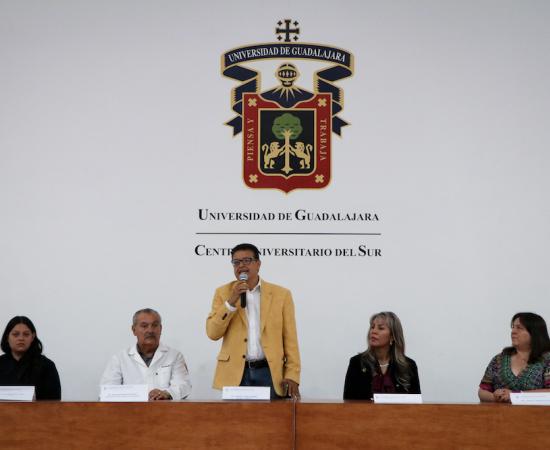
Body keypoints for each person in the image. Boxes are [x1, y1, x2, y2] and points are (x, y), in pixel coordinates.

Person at [206, 243, 301, 399]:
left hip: (269, 372)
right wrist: (230, 302)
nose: (241, 266)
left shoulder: (281, 295)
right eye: (236, 262)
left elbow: (291, 339)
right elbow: (212, 333)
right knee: (236, 422)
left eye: (247, 260)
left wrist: (293, 374)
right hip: (236, 372)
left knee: (271, 422)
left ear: (258, 264)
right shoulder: (223, 293)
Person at [100, 308, 191, 400]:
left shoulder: (175, 356)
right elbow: (107, 391)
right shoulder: (119, 358)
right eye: (144, 326)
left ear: (161, 329)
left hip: (165, 411)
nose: (150, 330)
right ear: (134, 330)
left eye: (155, 325)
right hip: (130, 412)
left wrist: (167, 393)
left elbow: (184, 386)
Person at [343, 311, 420, 400]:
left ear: (392, 336)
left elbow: (416, 404)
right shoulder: (357, 363)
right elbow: (348, 403)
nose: (373, 331)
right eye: (372, 327)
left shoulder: (408, 366)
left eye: (380, 328)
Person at [478, 312, 550, 402]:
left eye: (519, 328)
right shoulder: (499, 359)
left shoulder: (547, 359)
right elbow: (482, 391)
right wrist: (495, 397)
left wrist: (516, 396)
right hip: (499, 415)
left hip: (538, 415)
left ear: (534, 333)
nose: (513, 331)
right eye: (513, 327)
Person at [0, 316, 61, 400]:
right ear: (7, 337)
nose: (21, 338)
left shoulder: (46, 366)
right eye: (15, 334)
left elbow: (54, 403)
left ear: (32, 337)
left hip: (38, 413)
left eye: (26, 334)